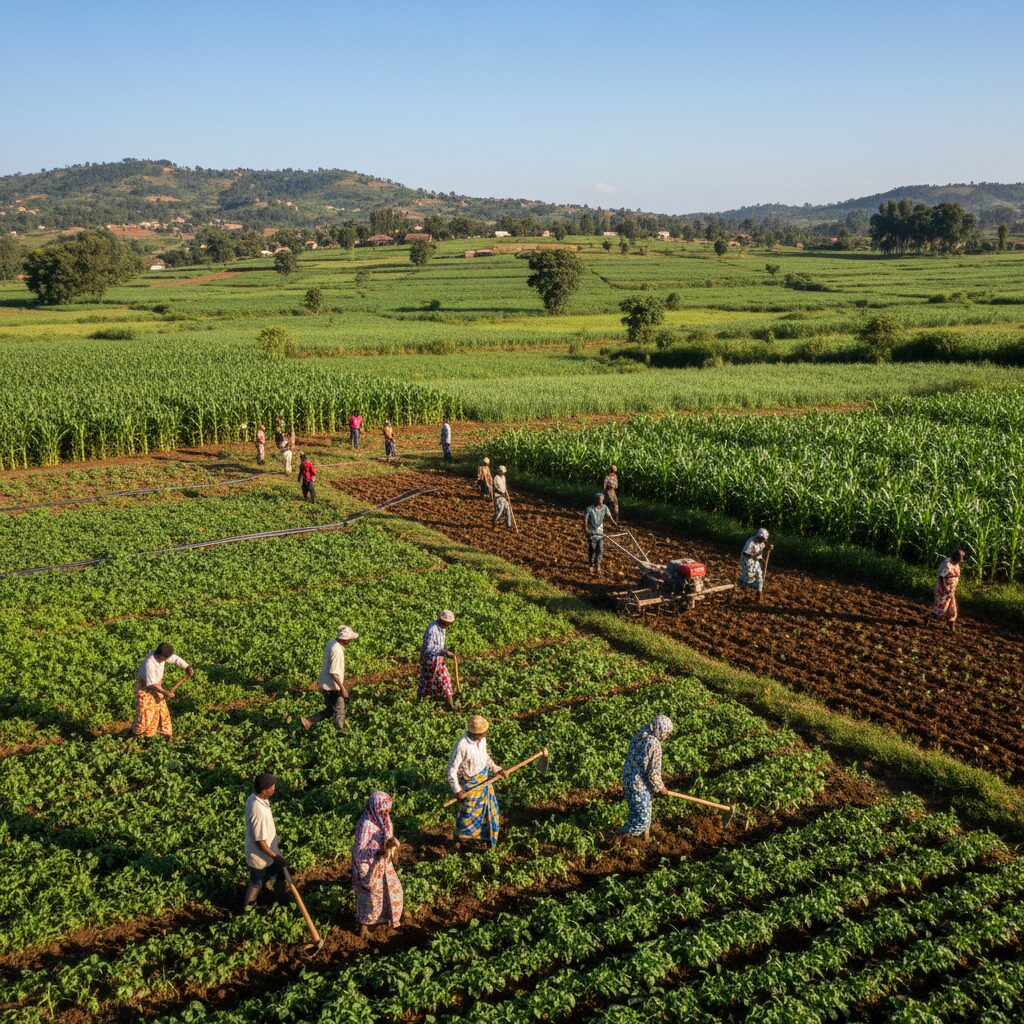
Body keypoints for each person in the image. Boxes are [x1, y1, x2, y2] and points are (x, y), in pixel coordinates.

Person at [448, 715, 507, 849]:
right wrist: (458, 790)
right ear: (477, 733)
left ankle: (486, 838)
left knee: (490, 812)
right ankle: (459, 840)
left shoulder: (482, 740)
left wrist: (497, 769)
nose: (486, 733)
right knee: (467, 815)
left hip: (484, 782)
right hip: (470, 786)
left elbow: (485, 757)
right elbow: (451, 770)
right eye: (484, 732)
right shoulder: (462, 746)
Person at [352, 791, 404, 937]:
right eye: (382, 810)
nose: (386, 813)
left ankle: (383, 920)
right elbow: (359, 852)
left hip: (382, 862)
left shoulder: (383, 819)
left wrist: (390, 844)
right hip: (367, 865)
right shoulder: (365, 825)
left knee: (394, 891)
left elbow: (386, 837)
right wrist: (378, 852)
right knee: (370, 897)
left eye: (387, 810)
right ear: (375, 807)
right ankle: (364, 927)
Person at [619, 715, 674, 839]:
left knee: (639, 812)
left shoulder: (641, 734)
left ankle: (644, 840)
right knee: (642, 820)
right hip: (638, 785)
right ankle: (619, 837)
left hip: (628, 778)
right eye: (667, 733)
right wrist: (661, 788)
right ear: (662, 730)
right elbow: (653, 773)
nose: (667, 736)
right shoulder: (654, 744)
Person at [243, 773, 289, 910]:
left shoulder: (253, 798)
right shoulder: (259, 812)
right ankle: (247, 910)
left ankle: (282, 900)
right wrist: (275, 857)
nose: (274, 788)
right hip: (260, 857)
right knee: (256, 883)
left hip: (268, 853)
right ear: (264, 790)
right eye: (271, 786)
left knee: (280, 874)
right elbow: (260, 842)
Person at [131, 642, 193, 739]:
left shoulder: (163, 655)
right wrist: (165, 692)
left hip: (157, 687)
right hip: (145, 689)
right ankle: (132, 735)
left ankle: (154, 737)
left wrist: (187, 667)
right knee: (146, 715)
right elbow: (152, 684)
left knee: (161, 712)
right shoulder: (149, 664)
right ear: (160, 655)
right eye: (165, 659)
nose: (167, 660)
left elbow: (176, 659)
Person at [302, 626, 358, 731]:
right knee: (339, 711)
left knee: (331, 709)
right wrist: (342, 688)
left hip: (324, 682)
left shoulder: (331, 642)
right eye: (350, 639)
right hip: (332, 686)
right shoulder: (338, 651)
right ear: (345, 640)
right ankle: (340, 733)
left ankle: (308, 721)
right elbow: (334, 673)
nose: (351, 641)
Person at [418, 610, 457, 710]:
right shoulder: (433, 630)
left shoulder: (441, 628)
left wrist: (446, 650)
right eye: (447, 622)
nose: (448, 625)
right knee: (440, 680)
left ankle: (420, 701)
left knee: (428, 680)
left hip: (436, 659)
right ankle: (450, 705)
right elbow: (428, 648)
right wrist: (443, 652)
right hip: (429, 660)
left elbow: (438, 645)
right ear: (441, 620)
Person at [930, 549, 966, 631]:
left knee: (952, 609)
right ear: (955, 556)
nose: (960, 561)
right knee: (940, 610)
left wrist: (951, 590)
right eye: (959, 558)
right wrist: (945, 589)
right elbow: (941, 578)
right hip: (942, 591)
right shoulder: (948, 564)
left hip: (950, 591)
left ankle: (951, 626)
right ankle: (928, 618)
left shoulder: (956, 564)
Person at [585, 491, 616, 574]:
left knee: (600, 550)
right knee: (592, 549)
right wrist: (586, 530)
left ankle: (597, 565)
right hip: (592, 533)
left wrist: (616, 525)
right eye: (599, 500)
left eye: (602, 500)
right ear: (595, 500)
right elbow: (586, 519)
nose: (600, 501)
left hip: (600, 533)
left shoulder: (605, 508)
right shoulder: (590, 508)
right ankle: (591, 565)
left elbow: (610, 517)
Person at [737, 527, 771, 600]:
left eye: (764, 539)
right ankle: (739, 583)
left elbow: (762, 552)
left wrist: (767, 549)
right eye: (762, 539)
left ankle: (759, 591)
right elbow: (746, 554)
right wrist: (754, 556)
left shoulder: (762, 543)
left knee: (759, 575)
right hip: (747, 560)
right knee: (748, 578)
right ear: (759, 536)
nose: (763, 540)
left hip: (756, 561)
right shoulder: (751, 541)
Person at [492, 465, 512, 530]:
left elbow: (505, 487)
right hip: (498, 497)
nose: (503, 473)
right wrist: (501, 493)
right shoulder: (496, 478)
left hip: (503, 496)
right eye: (502, 472)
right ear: (499, 471)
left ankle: (508, 525)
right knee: (500, 510)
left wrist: (507, 494)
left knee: (507, 508)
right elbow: (494, 489)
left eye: (504, 472)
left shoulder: (503, 477)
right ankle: (494, 521)